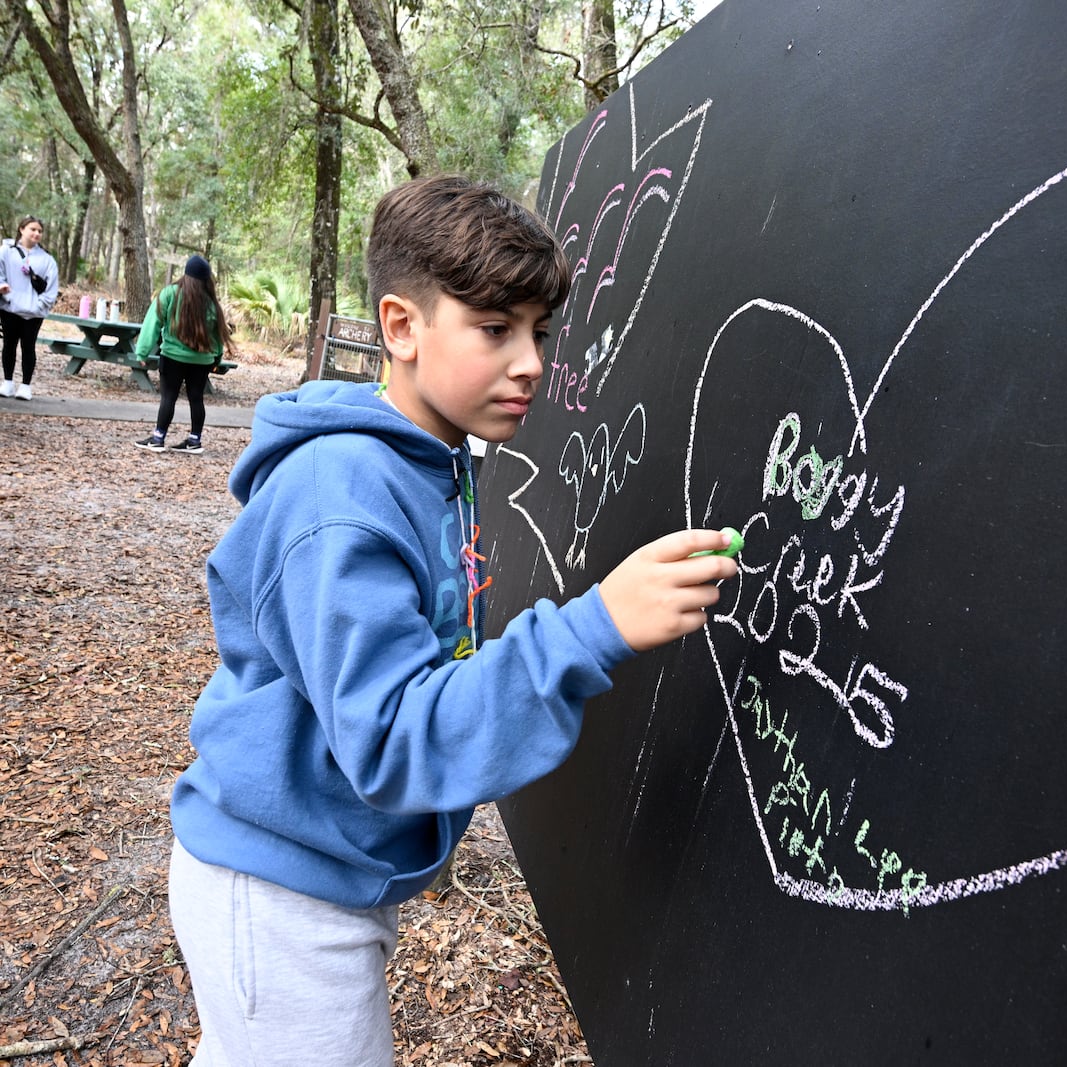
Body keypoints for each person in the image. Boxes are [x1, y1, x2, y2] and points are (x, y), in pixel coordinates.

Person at [165, 173, 737, 1065]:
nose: (532, 362)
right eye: (495, 329)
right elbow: (393, 736)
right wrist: (592, 628)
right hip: (281, 892)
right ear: (402, 327)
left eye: (540, 333)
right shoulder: (341, 499)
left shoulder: (436, 463)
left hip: (328, 871)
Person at [133, 254, 230, 454]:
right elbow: (217, 336)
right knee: (196, 398)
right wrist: (217, 359)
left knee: (168, 397)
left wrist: (142, 352)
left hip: (172, 357)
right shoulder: (211, 303)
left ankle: (158, 438)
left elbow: (152, 323)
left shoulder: (170, 294)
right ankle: (195, 440)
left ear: (185, 274)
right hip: (202, 361)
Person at [0, 215, 60, 401]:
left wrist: (40, 305)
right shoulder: (6, 252)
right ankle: (8, 383)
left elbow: (52, 287)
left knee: (29, 346)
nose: (36, 233)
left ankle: (25, 385)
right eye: (32, 229)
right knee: (9, 345)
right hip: (10, 309)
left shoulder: (47, 259)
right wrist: (5, 292)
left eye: (40, 231)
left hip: (34, 313)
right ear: (22, 229)